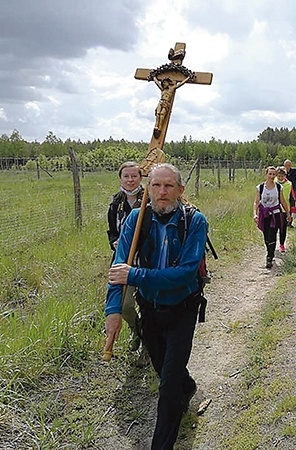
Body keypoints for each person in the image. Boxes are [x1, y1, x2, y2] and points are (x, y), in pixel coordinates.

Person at [104, 163, 208, 449]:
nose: (162, 192)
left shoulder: (195, 221)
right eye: (156, 186)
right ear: (147, 189)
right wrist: (113, 311)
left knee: (168, 386)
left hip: (182, 308)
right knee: (165, 371)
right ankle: (187, 388)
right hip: (149, 308)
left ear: (180, 190)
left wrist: (136, 275)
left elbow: (186, 272)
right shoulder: (137, 221)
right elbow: (118, 268)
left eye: (169, 186)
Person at [107, 161, 145, 354]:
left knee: (148, 304)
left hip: (146, 261)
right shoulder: (116, 203)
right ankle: (137, 330)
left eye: (134, 176)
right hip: (124, 262)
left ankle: (149, 343)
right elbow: (112, 231)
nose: (130, 180)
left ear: (141, 177)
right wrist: (115, 242)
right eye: (126, 176)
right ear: (120, 178)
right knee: (125, 305)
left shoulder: (149, 197)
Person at [253, 166, 291, 268]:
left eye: (273, 174)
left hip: (275, 214)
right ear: (266, 174)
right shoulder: (260, 188)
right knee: (266, 236)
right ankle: (269, 250)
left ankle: (269, 257)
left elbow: (283, 201)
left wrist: (287, 213)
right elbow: (256, 202)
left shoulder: (279, 187)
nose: (272, 176)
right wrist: (255, 214)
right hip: (264, 214)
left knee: (272, 235)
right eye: (270, 174)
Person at [275, 166, 293, 253]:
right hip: (274, 209)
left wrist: (292, 210)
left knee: (283, 228)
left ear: (285, 176)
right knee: (273, 228)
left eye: (282, 176)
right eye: (278, 176)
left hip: (284, 209)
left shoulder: (289, 184)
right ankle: (273, 244)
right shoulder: (273, 182)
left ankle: (282, 244)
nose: (280, 178)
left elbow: (292, 197)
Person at [284, 160, 296, 227]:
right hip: (285, 191)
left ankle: (290, 222)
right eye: (286, 165)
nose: (287, 167)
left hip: (293, 190)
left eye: (288, 165)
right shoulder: (283, 172)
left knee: (292, 204)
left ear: (290, 165)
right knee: (285, 205)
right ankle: (285, 221)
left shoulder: (294, 171)